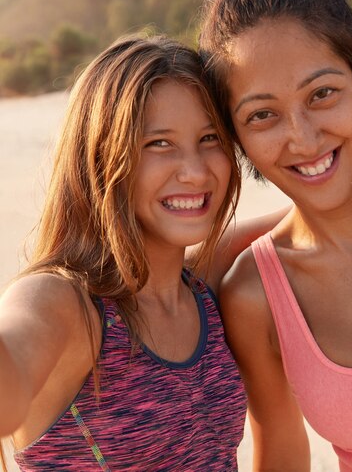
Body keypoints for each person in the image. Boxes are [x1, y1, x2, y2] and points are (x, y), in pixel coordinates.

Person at [199, 0, 352, 472]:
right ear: (235, 136)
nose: (302, 138)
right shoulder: (255, 295)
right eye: (263, 115)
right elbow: (282, 454)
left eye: (321, 93)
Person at [0, 35, 247, 471]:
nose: (195, 171)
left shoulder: (200, 286)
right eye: (159, 143)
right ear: (99, 156)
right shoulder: (64, 304)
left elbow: (306, 221)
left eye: (210, 138)